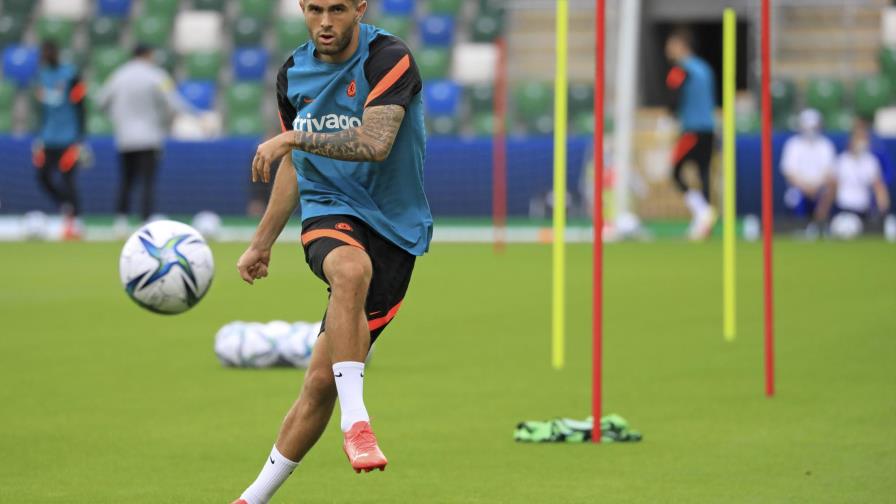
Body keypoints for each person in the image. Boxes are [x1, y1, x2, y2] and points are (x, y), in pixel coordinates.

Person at [232, 1, 432, 503]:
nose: (325, 21)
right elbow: (297, 166)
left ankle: (250, 499)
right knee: (348, 267)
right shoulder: (292, 74)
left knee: (320, 382)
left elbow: (376, 141)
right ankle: (358, 421)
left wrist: (292, 136)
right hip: (329, 209)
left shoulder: (389, 58)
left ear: (359, 7)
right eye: (315, 8)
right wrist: (261, 243)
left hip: (395, 229)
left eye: (338, 9)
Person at [97, 44, 192, 235]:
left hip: (125, 138)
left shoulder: (119, 75)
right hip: (149, 137)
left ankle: (120, 221)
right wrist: (194, 115)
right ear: (148, 55)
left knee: (126, 180)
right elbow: (173, 102)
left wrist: (118, 118)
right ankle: (145, 219)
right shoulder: (156, 75)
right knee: (147, 181)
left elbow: (101, 101)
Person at [665, 28, 717, 240]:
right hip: (709, 128)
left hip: (692, 130)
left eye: (671, 46)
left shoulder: (682, 69)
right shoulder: (705, 69)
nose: (667, 50)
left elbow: (673, 94)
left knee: (676, 172)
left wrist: (671, 114)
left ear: (681, 46)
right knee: (703, 174)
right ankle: (703, 222)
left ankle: (703, 212)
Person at [33, 40, 86, 240]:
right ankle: (66, 207)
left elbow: (81, 106)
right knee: (43, 176)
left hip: (69, 137)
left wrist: (81, 137)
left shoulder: (71, 75)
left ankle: (76, 221)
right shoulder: (42, 76)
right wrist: (38, 136)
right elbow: (40, 110)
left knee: (68, 179)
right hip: (47, 137)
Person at [817, 122, 891, 224]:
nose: (861, 142)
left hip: (863, 211)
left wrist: (883, 212)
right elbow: (831, 189)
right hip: (843, 210)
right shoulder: (841, 161)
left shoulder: (871, 162)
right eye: (858, 138)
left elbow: (879, 188)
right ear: (851, 140)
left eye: (864, 138)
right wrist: (822, 212)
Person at [780, 108, 837, 238]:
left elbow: (829, 173)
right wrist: (806, 188)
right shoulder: (793, 144)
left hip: (820, 188)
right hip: (799, 188)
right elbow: (790, 173)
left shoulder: (826, 145)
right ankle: (799, 227)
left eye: (814, 127)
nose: (811, 130)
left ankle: (821, 226)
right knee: (795, 196)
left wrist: (816, 187)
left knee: (828, 193)